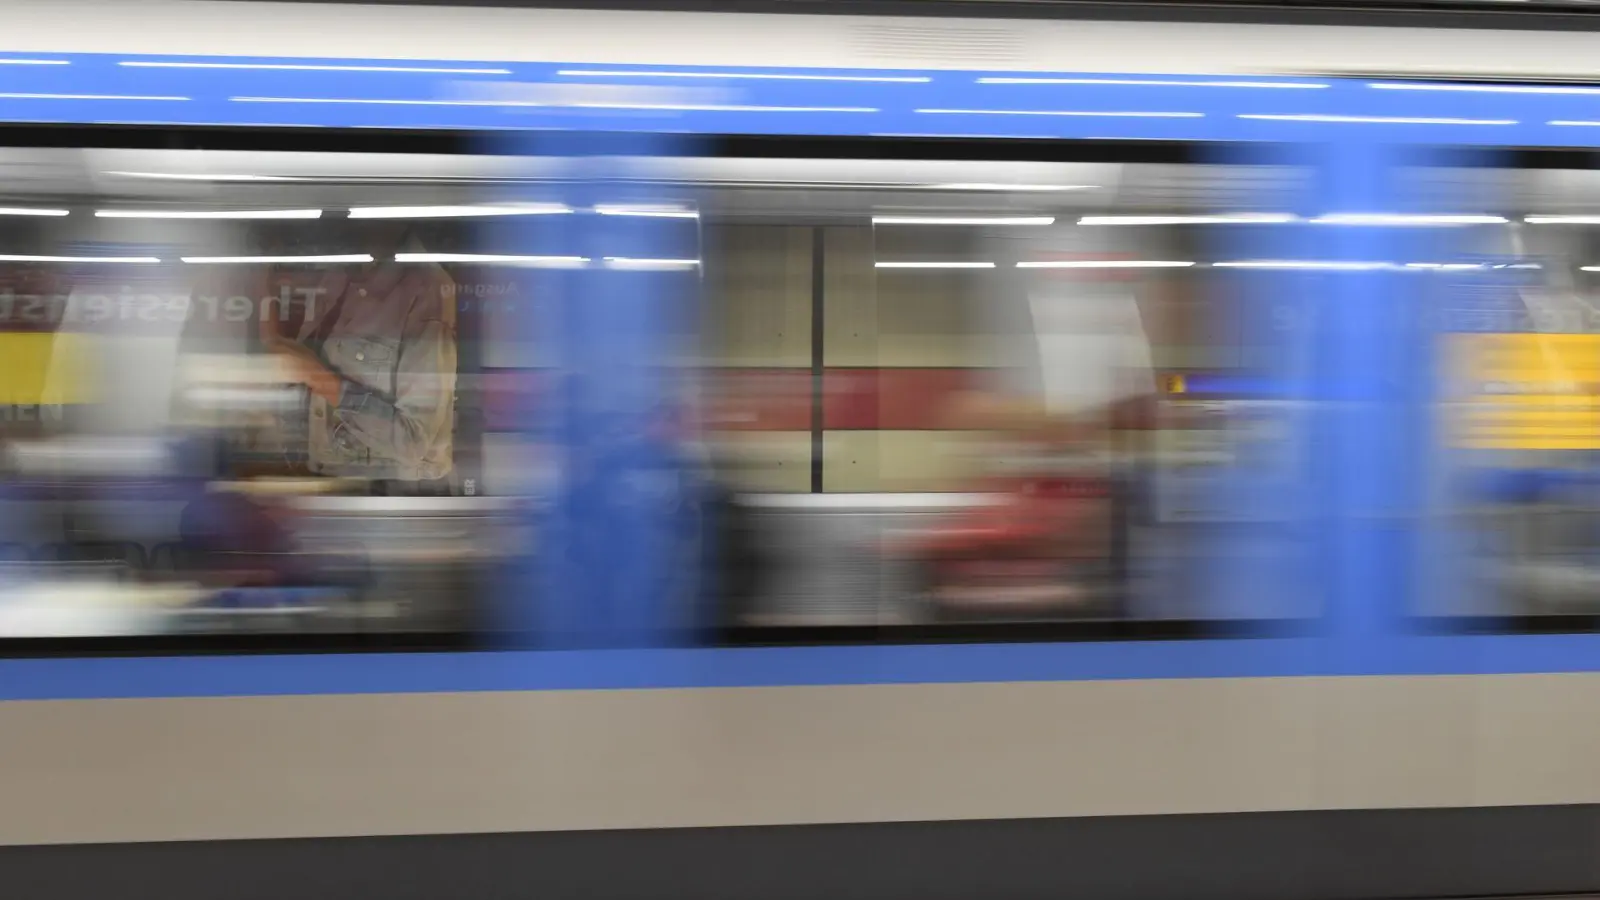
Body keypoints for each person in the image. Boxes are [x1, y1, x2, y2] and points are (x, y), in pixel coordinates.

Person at [261, 223, 458, 495]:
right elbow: (307, 374)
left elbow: (412, 440)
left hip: (396, 496)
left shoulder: (427, 287)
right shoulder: (339, 273)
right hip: (334, 479)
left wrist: (318, 378)